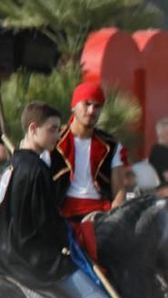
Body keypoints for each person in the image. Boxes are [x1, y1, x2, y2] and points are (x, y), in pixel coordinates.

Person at [0, 102, 120, 298]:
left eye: (59, 130)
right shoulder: (36, 170)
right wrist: (68, 239)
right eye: (53, 130)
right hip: (28, 258)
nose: (58, 136)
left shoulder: (11, 166)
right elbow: (46, 224)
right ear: (33, 128)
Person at [53, 79, 127, 261]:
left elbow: (119, 191)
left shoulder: (111, 145)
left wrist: (113, 219)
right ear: (74, 106)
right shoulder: (54, 141)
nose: (92, 111)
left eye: (97, 106)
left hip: (100, 215)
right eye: (87, 104)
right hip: (62, 213)